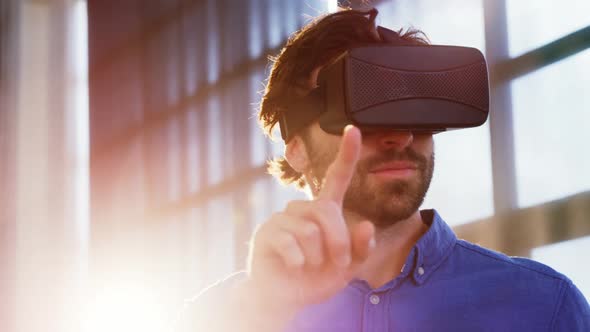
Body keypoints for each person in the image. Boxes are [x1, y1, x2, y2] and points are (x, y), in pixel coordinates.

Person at [174, 8, 590, 332]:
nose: (399, 135)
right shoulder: (217, 317)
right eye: (359, 107)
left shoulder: (545, 307)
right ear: (296, 148)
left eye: (415, 108)